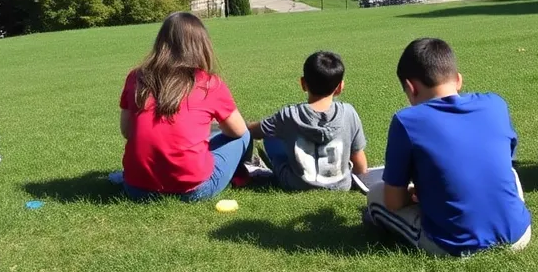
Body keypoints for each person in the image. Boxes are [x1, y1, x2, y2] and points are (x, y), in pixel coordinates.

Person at [364, 38, 532, 256]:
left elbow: (393, 200)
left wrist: (414, 193)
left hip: (453, 245)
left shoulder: (407, 120)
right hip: (518, 235)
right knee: (508, 173)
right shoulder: (495, 103)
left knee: (376, 195)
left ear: (410, 87)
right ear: (458, 80)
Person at [119, 12, 251, 201]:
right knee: (244, 134)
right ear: (201, 45)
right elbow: (237, 131)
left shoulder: (136, 78)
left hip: (136, 188)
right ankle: (245, 173)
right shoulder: (208, 83)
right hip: (194, 189)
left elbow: (127, 131)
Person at [247, 51, 368, 191]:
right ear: (340, 87)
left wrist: (245, 125)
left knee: (271, 135)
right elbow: (359, 159)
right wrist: (361, 179)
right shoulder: (349, 112)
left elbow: (256, 131)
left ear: (303, 83)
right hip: (341, 186)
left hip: (294, 184)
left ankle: (257, 167)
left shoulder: (289, 115)